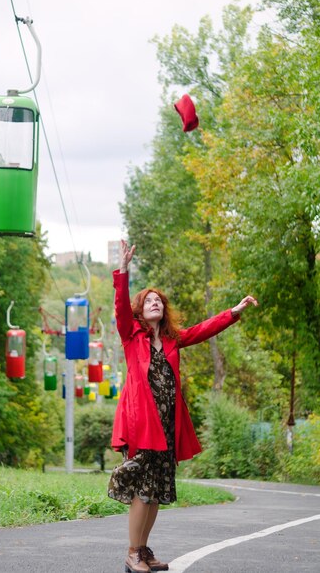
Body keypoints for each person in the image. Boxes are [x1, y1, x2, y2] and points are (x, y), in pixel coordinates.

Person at [108, 240, 258, 573]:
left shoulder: (174, 339)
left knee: (158, 490)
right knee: (143, 489)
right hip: (141, 423)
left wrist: (234, 312)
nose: (154, 303)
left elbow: (204, 329)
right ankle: (132, 553)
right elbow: (119, 306)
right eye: (148, 300)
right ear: (140, 310)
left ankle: (144, 551)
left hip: (167, 424)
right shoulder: (131, 334)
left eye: (158, 300)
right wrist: (123, 270)